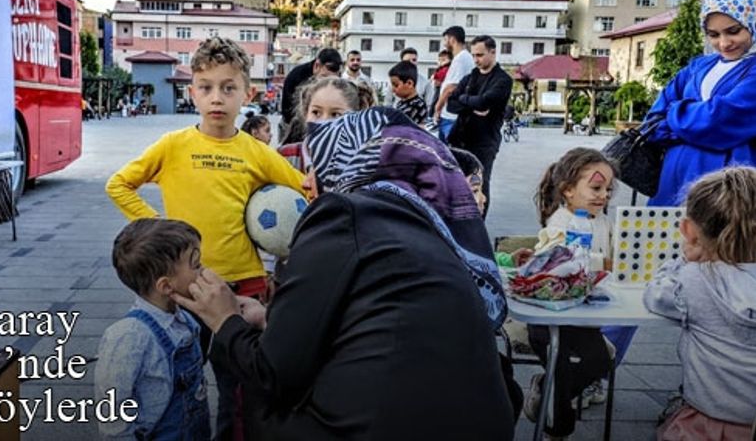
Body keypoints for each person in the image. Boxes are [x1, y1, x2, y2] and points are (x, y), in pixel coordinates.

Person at [174, 108, 516, 440]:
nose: (307, 181)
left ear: (342, 162)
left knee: (260, 398)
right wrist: (269, 319)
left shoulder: (342, 213)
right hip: (484, 423)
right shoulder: (432, 225)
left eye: (314, 166)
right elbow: (382, 317)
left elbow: (273, 374)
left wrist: (224, 319)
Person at [105, 37, 305, 441]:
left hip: (242, 287)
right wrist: (161, 233)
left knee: (239, 387)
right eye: (207, 87)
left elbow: (304, 193)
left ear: (246, 93)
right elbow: (119, 184)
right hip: (186, 287)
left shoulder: (257, 152)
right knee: (181, 380)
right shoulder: (173, 145)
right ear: (192, 91)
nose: (217, 98)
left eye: (228, 88)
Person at [644, 166, 756, 441]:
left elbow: (655, 295)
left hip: (708, 426)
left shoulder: (694, 281)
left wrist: (684, 259)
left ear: (688, 230)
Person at [524, 147, 617, 440]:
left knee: (598, 362)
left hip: (583, 317)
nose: (603, 195)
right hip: (548, 318)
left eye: (608, 189)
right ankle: (557, 432)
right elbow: (558, 266)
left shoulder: (604, 221)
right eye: (596, 187)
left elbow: (616, 261)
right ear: (567, 190)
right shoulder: (560, 224)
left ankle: (545, 389)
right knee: (562, 371)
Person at [645, 0, 756, 206]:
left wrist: (675, 112)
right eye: (713, 34)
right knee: (667, 242)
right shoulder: (698, 66)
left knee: (721, 242)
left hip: (728, 199)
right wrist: (695, 123)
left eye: (734, 31)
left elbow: (720, 120)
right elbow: (653, 121)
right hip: (672, 190)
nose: (724, 43)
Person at [95, 218, 210, 440]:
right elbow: (113, 412)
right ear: (166, 286)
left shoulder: (185, 317)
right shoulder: (129, 337)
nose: (204, 271)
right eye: (196, 265)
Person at [446, 35, 513, 219]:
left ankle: (478, 225)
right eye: (474, 55)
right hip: (459, 138)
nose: (476, 60)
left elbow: (483, 102)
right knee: (455, 182)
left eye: (480, 55)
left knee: (480, 184)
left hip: (484, 142)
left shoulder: (502, 80)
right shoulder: (470, 77)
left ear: (493, 52)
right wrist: (471, 103)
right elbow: (451, 104)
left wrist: (465, 100)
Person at [450, 147, 532, 268]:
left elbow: (478, 257)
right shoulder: (440, 250)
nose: (484, 199)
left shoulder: (463, 235)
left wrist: (508, 261)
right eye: (475, 190)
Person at [277, 77, 364, 169]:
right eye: (316, 112)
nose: (323, 122)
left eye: (335, 114)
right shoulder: (284, 157)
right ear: (306, 114)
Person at [278, 48, 343, 136]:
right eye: (324, 77)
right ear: (317, 65)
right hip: (291, 125)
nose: (327, 83)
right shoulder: (298, 77)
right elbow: (291, 112)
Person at [434, 26, 475, 142]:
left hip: (451, 116)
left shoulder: (461, 59)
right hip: (451, 115)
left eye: (445, 39)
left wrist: (438, 107)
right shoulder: (461, 58)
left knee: (450, 154)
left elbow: (451, 87)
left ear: (452, 39)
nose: (444, 43)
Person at [388, 60, 428, 125]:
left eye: (396, 85)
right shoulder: (400, 103)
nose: (393, 89)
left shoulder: (418, 106)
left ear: (409, 83)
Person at [431, 49, 453, 114]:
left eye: (443, 60)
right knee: (434, 101)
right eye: (439, 60)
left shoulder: (447, 68)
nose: (441, 62)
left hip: (442, 88)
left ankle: (431, 115)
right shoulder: (441, 68)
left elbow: (441, 75)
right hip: (438, 87)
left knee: (435, 101)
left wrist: (434, 76)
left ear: (450, 60)